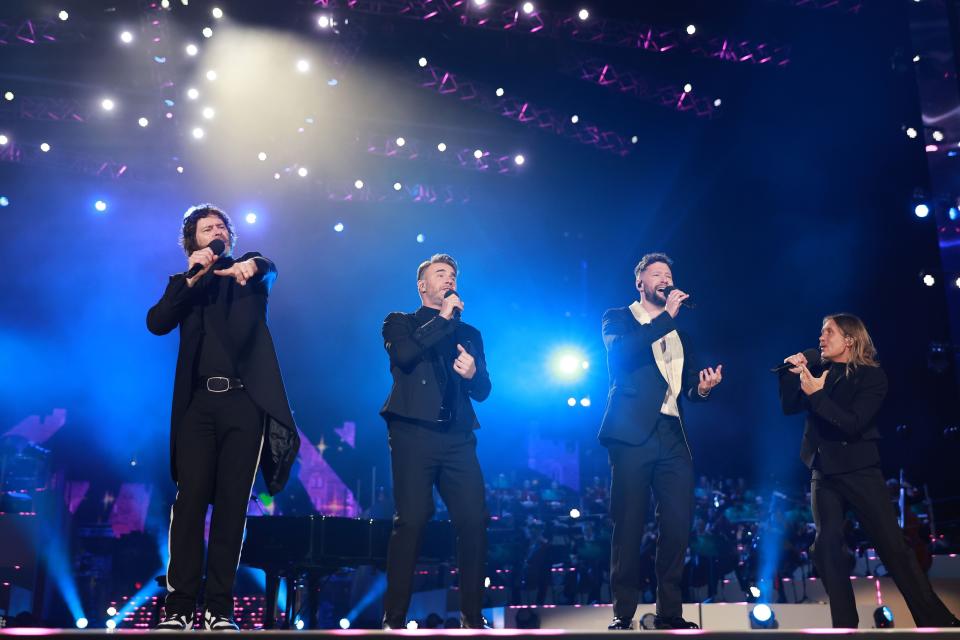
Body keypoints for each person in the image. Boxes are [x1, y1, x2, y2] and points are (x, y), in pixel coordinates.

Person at [147, 204, 300, 631]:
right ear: (191, 241)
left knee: (233, 508)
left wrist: (252, 264)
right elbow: (156, 323)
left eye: (220, 227)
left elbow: (269, 267)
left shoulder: (250, 275)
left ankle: (219, 607)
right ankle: (178, 607)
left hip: (243, 405)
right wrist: (190, 277)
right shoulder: (186, 282)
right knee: (190, 501)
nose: (215, 232)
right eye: (206, 228)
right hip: (198, 407)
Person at [779, 313, 958, 628]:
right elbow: (789, 406)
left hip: (859, 468)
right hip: (824, 470)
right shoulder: (819, 368)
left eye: (829, 332)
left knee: (894, 549)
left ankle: (935, 619)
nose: (821, 338)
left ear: (849, 339)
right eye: (821, 332)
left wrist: (817, 396)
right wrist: (790, 373)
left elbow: (853, 423)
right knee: (827, 545)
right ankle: (845, 624)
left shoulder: (871, 376)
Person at [599, 252, 723, 631]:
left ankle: (670, 612)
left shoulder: (680, 333)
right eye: (657, 274)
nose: (665, 279)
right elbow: (621, 353)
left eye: (668, 274)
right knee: (629, 523)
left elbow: (684, 385)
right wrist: (665, 316)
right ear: (641, 283)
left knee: (677, 524)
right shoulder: (617, 317)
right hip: (632, 432)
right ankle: (623, 613)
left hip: (672, 434)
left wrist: (701, 389)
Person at [379, 253, 491, 629]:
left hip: (458, 438)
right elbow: (405, 356)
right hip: (413, 433)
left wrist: (473, 373)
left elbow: (484, 391)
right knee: (411, 520)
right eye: (440, 274)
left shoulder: (470, 334)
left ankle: (472, 617)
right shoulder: (400, 322)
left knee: (474, 520)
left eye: (453, 274)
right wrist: (442, 320)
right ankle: (393, 617)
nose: (449, 279)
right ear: (422, 285)